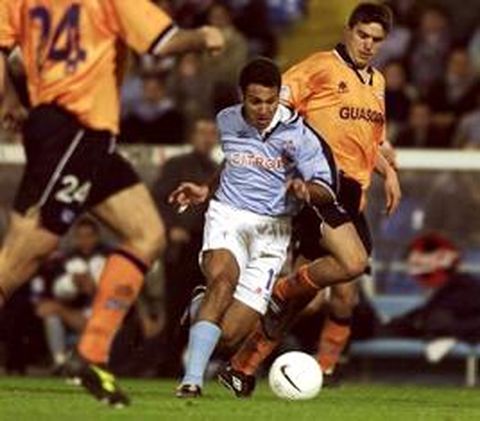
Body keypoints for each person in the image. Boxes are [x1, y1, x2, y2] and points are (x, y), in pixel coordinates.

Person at [0, 0, 224, 407]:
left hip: (86, 137)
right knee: (22, 255)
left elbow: (5, 52)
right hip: (74, 131)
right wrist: (203, 35)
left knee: (147, 234)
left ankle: (90, 354)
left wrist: (11, 100)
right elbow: (163, 42)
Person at [218, 2, 401, 396]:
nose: (368, 45)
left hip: (352, 194)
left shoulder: (378, 83)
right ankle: (291, 317)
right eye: (362, 35)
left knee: (305, 298)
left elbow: (369, 144)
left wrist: (389, 173)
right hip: (321, 187)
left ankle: (240, 368)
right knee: (350, 266)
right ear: (349, 30)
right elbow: (275, 108)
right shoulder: (320, 66)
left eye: (376, 39)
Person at [169, 57, 338, 397]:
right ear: (241, 96)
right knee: (223, 281)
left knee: (229, 336)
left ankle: (199, 306)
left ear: (279, 96)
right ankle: (191, 381)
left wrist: (306, 189)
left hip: (272, 233)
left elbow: (327, 187)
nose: (263, 109)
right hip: (228, 216)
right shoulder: (227, 120)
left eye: (270, 101)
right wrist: (206, 189)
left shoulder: (300, 135)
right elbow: (233, 163)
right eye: (255, 101)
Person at [153, 116, 219, 376]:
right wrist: (171, 227)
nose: (207, 138)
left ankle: (192, 363)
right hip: (180, 247)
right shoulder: (176, 165)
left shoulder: (216, 169)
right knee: (176, 306)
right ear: (192, 136)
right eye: (202, 132)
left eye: (211, 133)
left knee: (203, 305)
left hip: (208, 247)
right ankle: (167, 363)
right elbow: (159, 199)